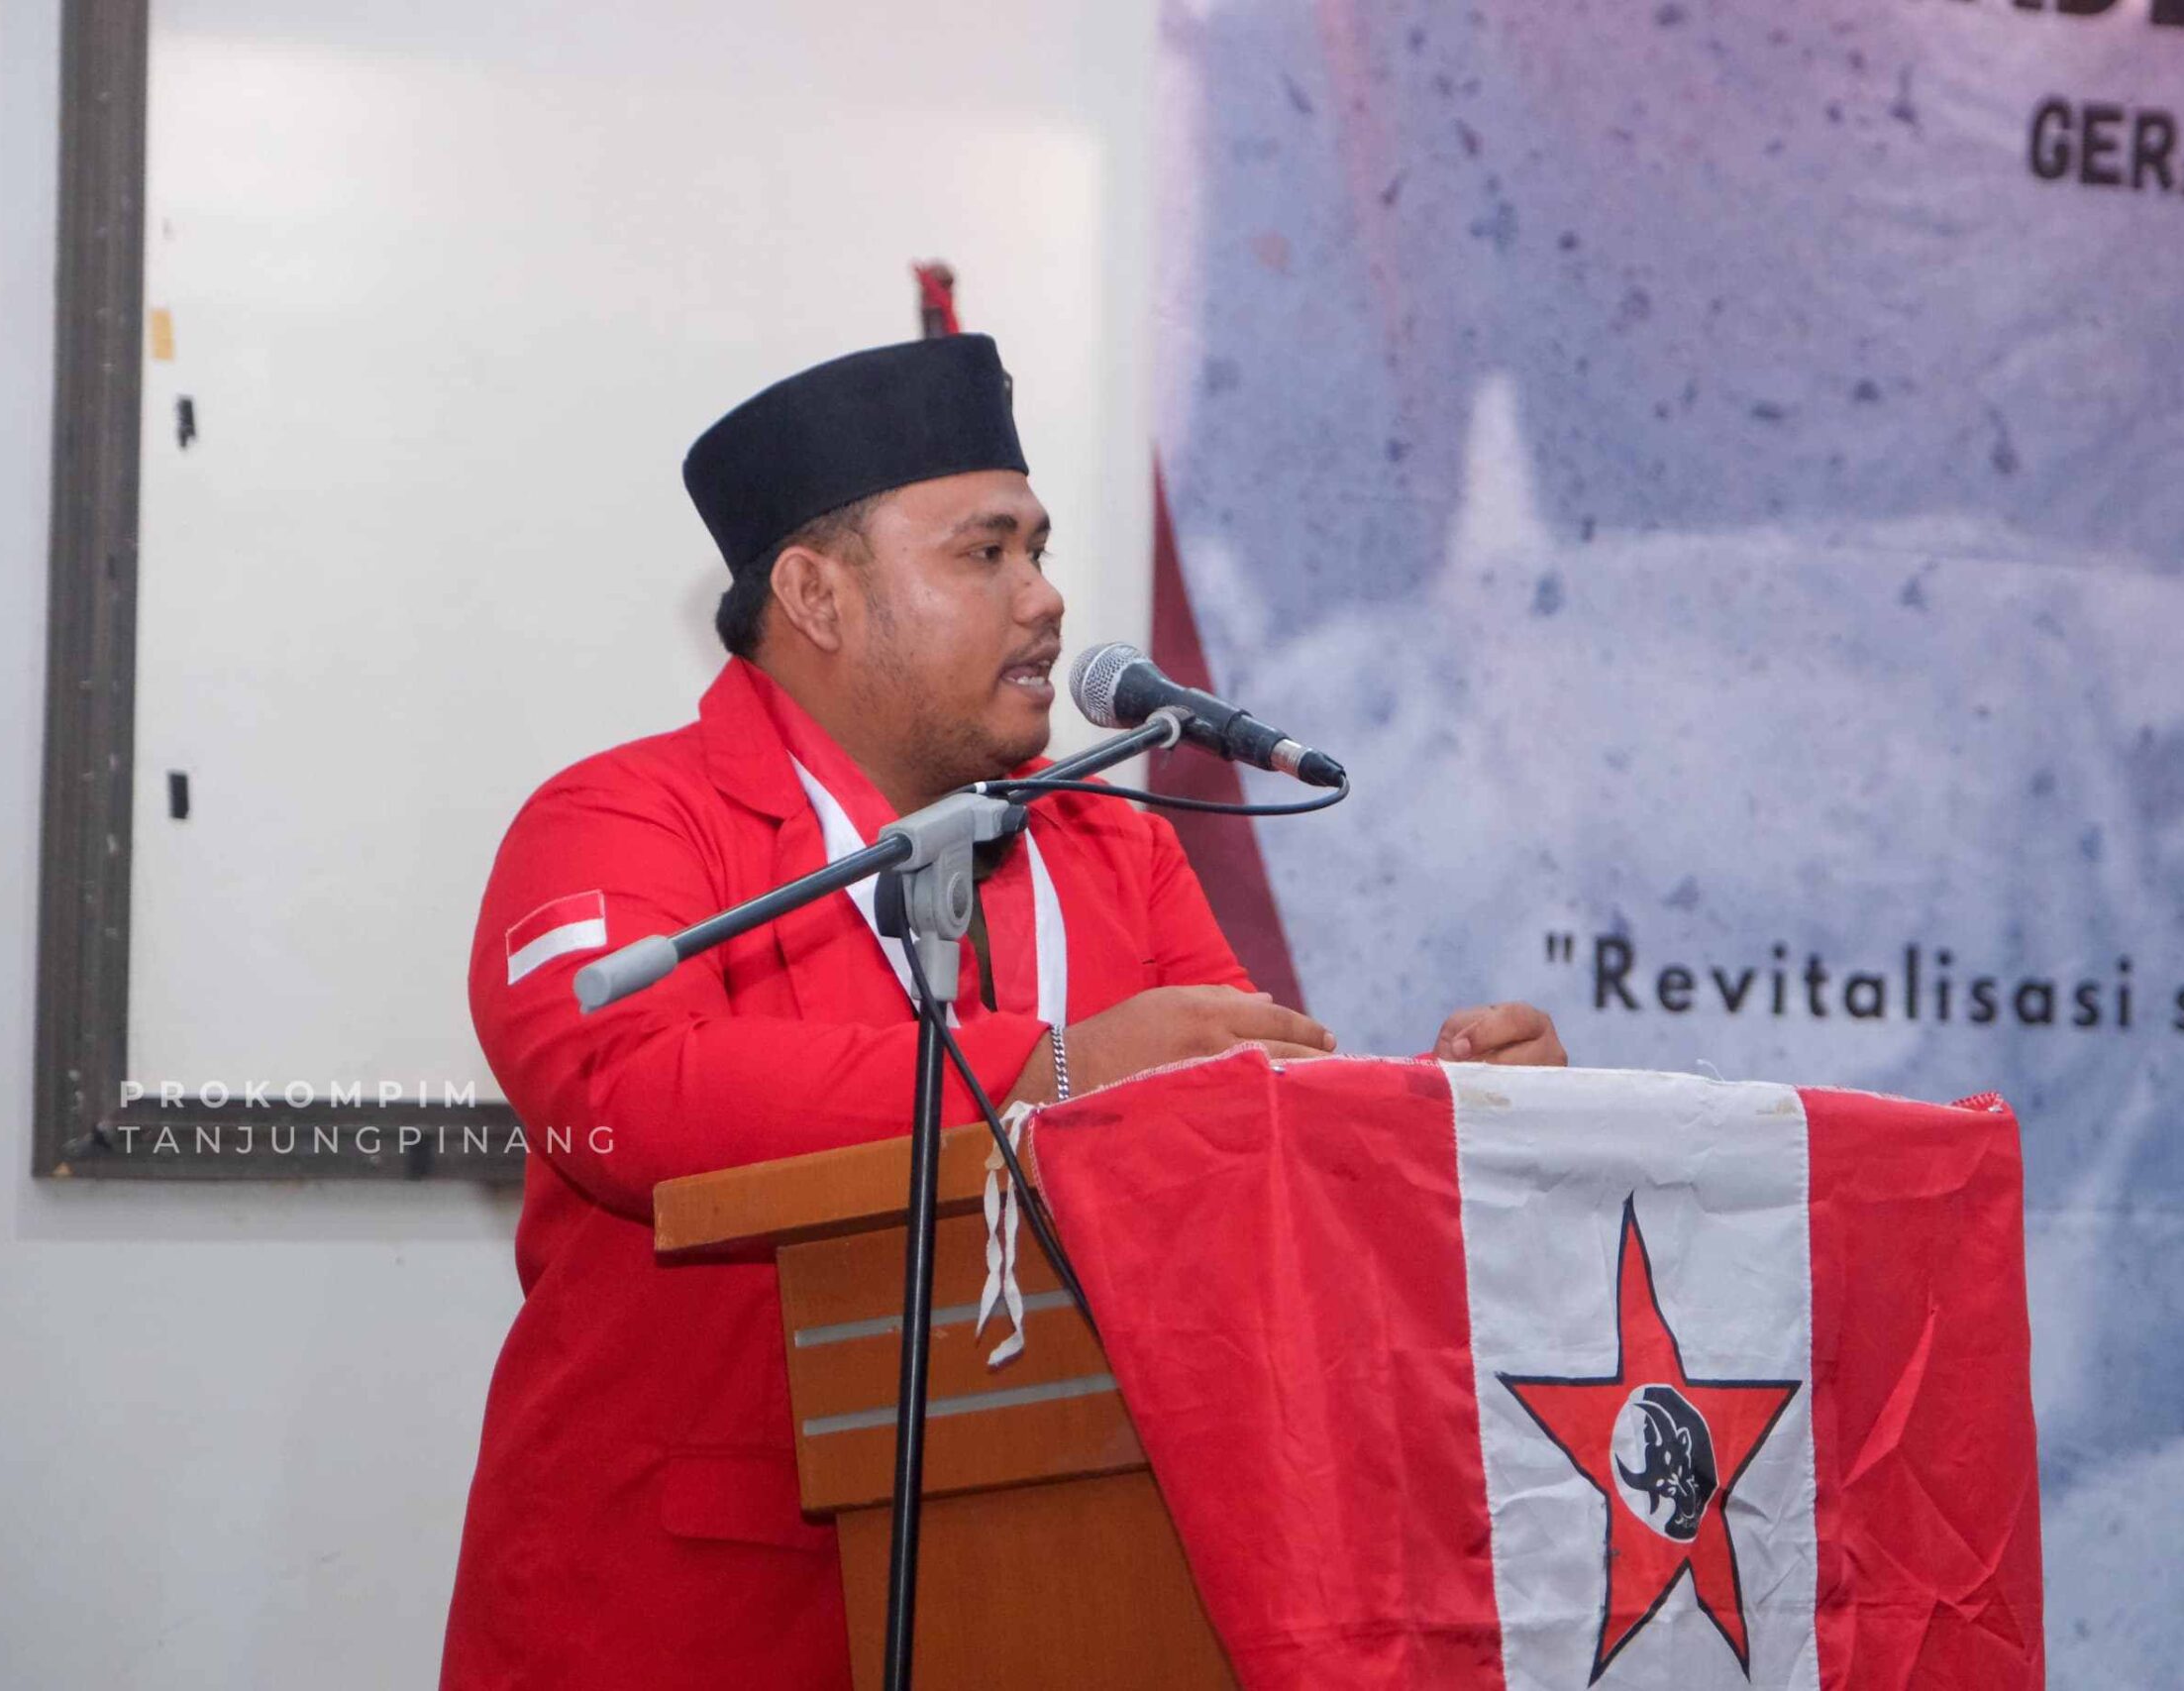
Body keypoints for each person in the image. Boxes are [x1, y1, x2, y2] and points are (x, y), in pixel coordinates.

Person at [437, 333, 1566, 1691]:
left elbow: (1252, 1141)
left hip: (1071, 1584)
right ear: (815, 595)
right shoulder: (625, 818)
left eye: (1038, 549)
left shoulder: (1117, 846)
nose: (1046, 599)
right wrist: (1057, 1069)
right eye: (986, 554)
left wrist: (1449, 1114)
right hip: (694, 1614)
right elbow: (625, 1093)